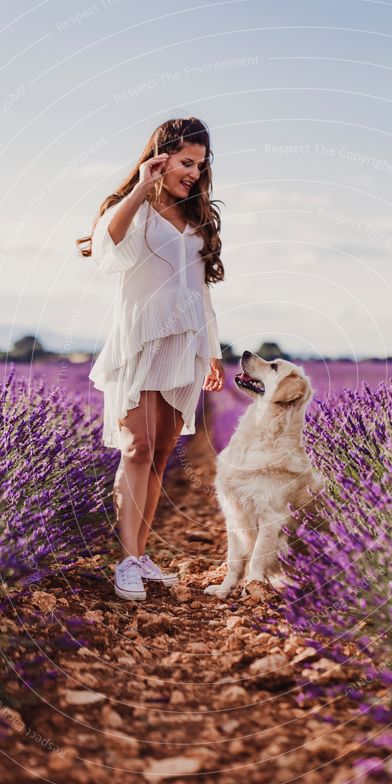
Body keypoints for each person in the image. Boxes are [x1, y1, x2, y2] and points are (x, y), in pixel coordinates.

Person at [76, 117, 225, 601]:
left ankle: (140, 555)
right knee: (136, 448)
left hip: (184, 345)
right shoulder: (135, 210)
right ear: (161, 157)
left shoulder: (196, 214)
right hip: (140, 342)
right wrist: (141, 188)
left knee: (161, 454)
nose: (195, 174)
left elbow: (201, 293)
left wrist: (213, 352)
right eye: (187, 162)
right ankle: (124, 563)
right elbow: (105, 245)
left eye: (200, 166)